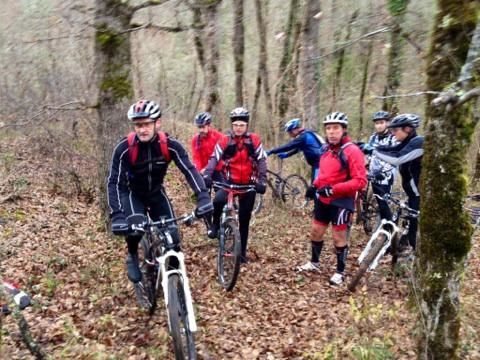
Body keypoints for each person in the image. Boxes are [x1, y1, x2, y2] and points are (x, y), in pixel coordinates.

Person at [107, 100, 213, 284]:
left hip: (156, 193)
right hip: (132, 194)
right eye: (138, 125)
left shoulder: (170, 145)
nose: (142, 130)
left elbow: (189, 170)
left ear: (158, 123)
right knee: (136, 229)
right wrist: (116, 215)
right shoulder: (124, 148)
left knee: (173, 236)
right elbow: (113, 183)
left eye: (147, 124)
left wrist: (203, 197)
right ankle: (132, 254)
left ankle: (173, 285)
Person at [298, 112, 367, 286]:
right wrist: (314, 185)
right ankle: (314, 262)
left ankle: (340, 271)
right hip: (324, 199)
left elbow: (360, 181)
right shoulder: (325, 150)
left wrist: (334, 190)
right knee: (316, 232)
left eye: (335, 128)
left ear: (344, 130)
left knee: (338, 237)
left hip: (341, 201)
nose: (331, 132)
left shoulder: (352, 151)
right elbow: (324, 174)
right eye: (328, 128)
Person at [203, 107, 267, 263]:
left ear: (246, 126)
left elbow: (262, 160)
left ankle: (242, 255)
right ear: (232, 125)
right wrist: (207, 174)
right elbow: (214, 158)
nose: (238, 128)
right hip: (229, 183)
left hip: (248, 185)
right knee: (217, 201)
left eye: (242, 125)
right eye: (236, 125)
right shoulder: (225, 140)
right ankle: (215, 225)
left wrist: (262, 180)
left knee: (244, 221)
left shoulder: (254, 140)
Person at [369, 113, 423, 251]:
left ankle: (415, 258)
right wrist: (368, 148)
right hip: (412, 193)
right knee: (410, 226)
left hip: (420, 194)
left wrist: (374, 151)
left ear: (408, 129)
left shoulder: (419, 142)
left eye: (395, 130)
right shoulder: (407, 142)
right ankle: (402, 247)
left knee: (414, 231)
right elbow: (392, 149)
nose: (393, 134)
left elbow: (397, 158)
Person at [362, 111, 398, 221]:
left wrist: (383, 173)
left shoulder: (393, 138)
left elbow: (394, 158)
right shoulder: (373, 137)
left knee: (383, 203)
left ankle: (388, 228)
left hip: (386, 175)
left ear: (387, 123)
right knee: (377, 200)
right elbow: (368, 154)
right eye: (377, 123)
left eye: (381, 122)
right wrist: (366, 165)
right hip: (373, 173)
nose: (379, 125)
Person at [190, 111, 223, 181]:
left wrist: (209, 169)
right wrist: (199, 170)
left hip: (218, 170)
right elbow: (196, 158)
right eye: (199, 127)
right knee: (201, 190)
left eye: (203, 127)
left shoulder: (219, 137)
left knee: (221, 190)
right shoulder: (195, 140)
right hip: (203, 171)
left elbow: (222, 157)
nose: (201, 130)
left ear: (208, 125)